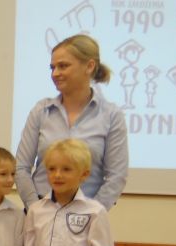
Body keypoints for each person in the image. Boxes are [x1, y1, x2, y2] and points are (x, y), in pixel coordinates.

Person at [15, 34, 128, 211]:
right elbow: (21, 167)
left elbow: (116, 175)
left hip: (86, 214)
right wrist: (35, 208)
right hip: (40, 211)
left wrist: (91, 214)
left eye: (63, 66)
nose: (55, 74)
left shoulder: (111, 115)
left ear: (89, 66)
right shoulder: (41, 110)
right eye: (52, 67)